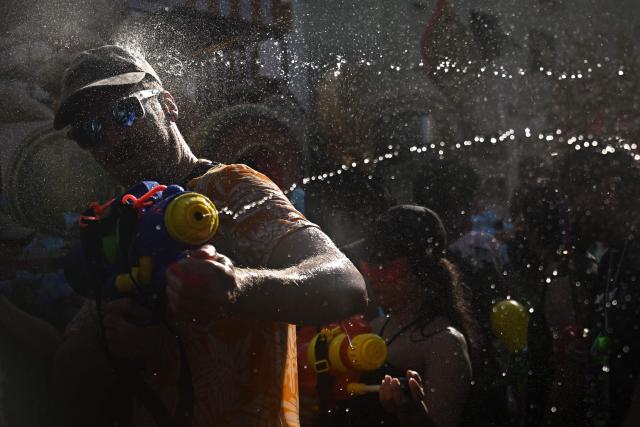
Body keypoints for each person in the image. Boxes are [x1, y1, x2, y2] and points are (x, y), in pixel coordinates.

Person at [50, 45, 367, 427]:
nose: (112, 140)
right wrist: (106, 340)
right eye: (91, 132)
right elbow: (64, 380)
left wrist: (237, 288)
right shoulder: (117, 223)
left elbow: (346, 285)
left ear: (168, 104)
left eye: (125, 113)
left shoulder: (231, 188)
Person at [336, 205, 477, 427]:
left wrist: (410, 413)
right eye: (368, 266)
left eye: (385, 267)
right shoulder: (375, 326)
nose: (372, 277)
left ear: (422, 270)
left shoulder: (444, 343)